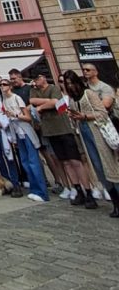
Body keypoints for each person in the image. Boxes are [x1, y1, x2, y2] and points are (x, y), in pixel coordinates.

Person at [30, 71, 97, 208]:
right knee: (65, 162)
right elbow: (32, 102)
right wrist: (48, 102)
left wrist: (41, 106)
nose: (35, 81)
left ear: (44, 78)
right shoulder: (33, 91)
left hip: (64, 129)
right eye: (34, 79)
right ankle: (78, 190)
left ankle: (88, 191)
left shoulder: (54, 88)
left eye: (37, 77)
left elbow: (56, 102)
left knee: (75, 161)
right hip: (49, 131)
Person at [64, 70, 119, 216]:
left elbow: (102, 112)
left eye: (72, 83)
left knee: (110, 166)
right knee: (98, 168)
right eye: (67, 84)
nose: (70, 87)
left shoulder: (89, 94)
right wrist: (72, 116)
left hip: (97, 132)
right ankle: (115, 202)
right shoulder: (72, 99)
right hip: (84, 133)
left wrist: (85, 116)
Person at [0, 79, 49, 203]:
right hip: (17, 134)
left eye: (4, 84)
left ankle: (42, 192)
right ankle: (34, 189)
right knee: (25, 162)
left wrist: (15, 115)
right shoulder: (4, 100)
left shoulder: (17, 98)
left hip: (26, 132)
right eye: (0, 85)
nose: (2, 86)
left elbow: (28, 117)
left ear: (10, 86)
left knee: (33, 162)